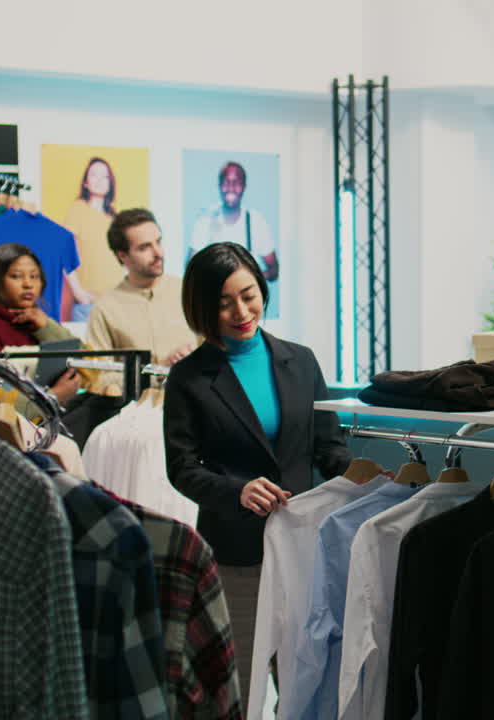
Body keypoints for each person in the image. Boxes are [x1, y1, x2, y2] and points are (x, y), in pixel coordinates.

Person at [163, 242, 351, 713]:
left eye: (248, 295)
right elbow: (181, 467)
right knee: (238, 682)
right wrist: (237, 491)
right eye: (224, 302)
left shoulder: (301, 361)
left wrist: (366, 480)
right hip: (235, 551)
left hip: (304, 548)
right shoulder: (188, 378)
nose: (242, 311)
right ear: (203, 307)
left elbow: (327, 447)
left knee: (304, 679)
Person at [0, 242, 85, 406]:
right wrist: (52, 396)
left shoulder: (40, 322)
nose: (28, 284)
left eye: (34, 276)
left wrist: (46, 327)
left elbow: (88, 365)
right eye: (16, 276)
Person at [86, 208, 198, 370]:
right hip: (139, 395)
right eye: (144, 247)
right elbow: (99, 377)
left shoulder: (190, 291)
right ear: (122, 255)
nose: (158, 253)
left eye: (158, 242)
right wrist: (158, 372)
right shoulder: (105, 310)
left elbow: (220, 351)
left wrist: (198, 357)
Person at [188, 162, 278, 282]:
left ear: (244, 187)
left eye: (236, 182)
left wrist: (251, 280)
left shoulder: (256, 222)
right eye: (226, 182)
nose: (231, 188)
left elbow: (274, 271)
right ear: (219, 186)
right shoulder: (205, 220)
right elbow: (191, 269)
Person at [64, 157, 126, 318]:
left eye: (105, 176)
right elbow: (64, 254)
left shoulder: (115, 217)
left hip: (118, 302)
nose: (99, 180)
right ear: (85, 182)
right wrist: (78, 293)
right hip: (88, 304)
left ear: (110, 183)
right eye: (94, 175)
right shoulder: (77, 210)